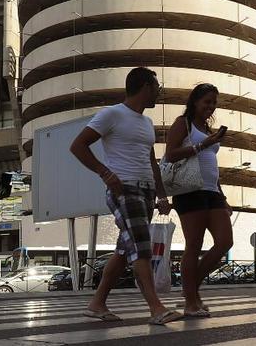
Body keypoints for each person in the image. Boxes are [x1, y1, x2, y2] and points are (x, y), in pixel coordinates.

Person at [70, 67, 182, 326]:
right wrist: (105, 173)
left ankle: (97, 303)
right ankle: (156, 308)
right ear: (145, 87)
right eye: (157, 87)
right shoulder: (112, 114)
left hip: (145, 192)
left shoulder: (146, 122)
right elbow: (78, 145)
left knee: (124, 251)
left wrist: (161, 194)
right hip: (124, 189)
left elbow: (151, 160)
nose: (159, 92)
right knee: (141, 247)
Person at [163, 83, 232, 317]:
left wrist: (223, 196)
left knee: (225, 242)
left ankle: (190, 290)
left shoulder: (206, 128)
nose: (211, 107)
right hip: (189, 191)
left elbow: (211, 165)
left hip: (212, 192)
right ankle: (191, 301)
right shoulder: (183, 124)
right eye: (207, 102)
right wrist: (205, 143)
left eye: (214, 103)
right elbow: (170, 154)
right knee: (194, 244)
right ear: (195, 102)